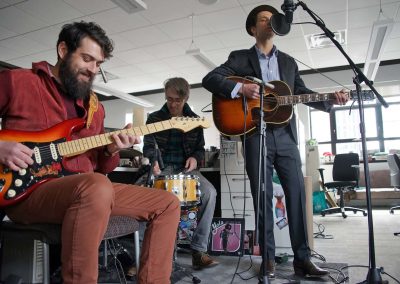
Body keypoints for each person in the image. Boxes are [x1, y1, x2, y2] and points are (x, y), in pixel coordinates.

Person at [0, 21, 180, 284]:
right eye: (87, 59)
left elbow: (101, 168)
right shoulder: (17, 82)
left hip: (87, 189)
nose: (93, 70)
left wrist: (111, 149)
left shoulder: (95, 106)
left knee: (167, 203)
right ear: (63, 50)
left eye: (98, 64)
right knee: (96, 186)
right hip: (27, 191)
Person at [202, 5, 349, 279]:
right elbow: (210, 79)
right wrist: (241, 88)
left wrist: (330, 99)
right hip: (255, 134)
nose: (269, 23)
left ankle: (302, 259)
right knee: (263, 197)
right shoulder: (240, 57)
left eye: (272, 20)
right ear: (252, 29)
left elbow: (302, 93)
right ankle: (267, 259)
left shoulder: (290, 63)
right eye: (263, 19)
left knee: (296, 196)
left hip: (285, 137)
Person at [142, 77, 218, 270]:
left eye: (177, 100)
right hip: (161, 168)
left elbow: (199, 149)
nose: (173, 104)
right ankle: (142, 255)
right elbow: (148, 146)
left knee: (210, 193)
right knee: (137, 193)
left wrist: (195, 158)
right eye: (169, 99)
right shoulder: (154, 118)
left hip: (186, 170)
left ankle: (198, 251)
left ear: (185, 98)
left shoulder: (194, 120)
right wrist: (154, 160)